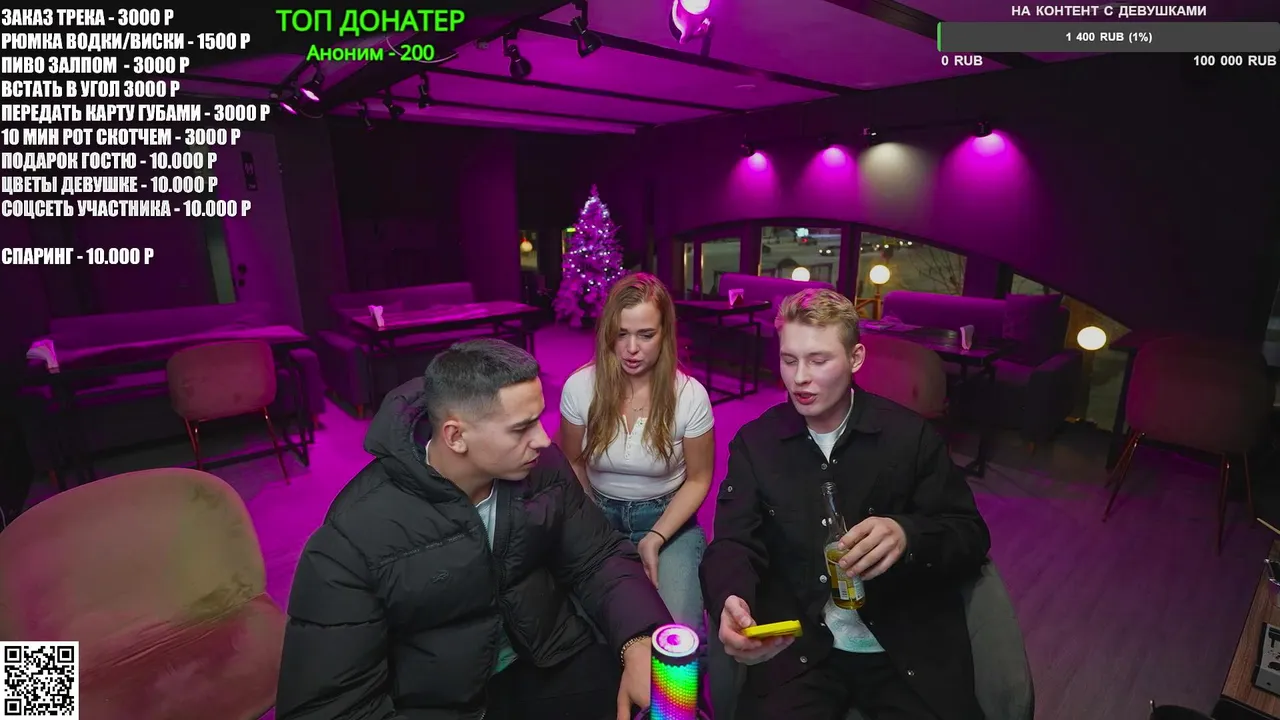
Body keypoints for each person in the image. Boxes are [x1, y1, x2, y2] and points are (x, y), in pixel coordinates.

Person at [277, 339, 673, 720]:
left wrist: (638, 640)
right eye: (521, 428)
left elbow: (597, 557)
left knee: (669, 695)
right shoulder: (353, 535)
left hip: (546, 657)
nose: (542, 439)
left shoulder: (542, 466)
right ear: (455, 436)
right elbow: (333, 706)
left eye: (539, 419)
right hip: (442, 703)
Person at [700, 289, 991, 720]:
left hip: (901, 646)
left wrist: (907, 535)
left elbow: (969, 534)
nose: (799, 378)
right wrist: (730, 597)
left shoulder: (909, 437)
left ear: (856, 358)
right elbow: (732, 542)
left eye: (818, 361)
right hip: (801, 647)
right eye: (788, 360)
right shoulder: (755, 443)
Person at [559, 273, 714, 638]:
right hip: (598, 518)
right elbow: (572, 461)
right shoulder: (579, 387)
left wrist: (656, 537)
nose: (631, 348)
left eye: (646, 335)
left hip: (667, 521)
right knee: (590, 631)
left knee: (676, 637)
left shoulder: (690, 396)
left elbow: (699, 478)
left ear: (665, 334)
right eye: (621, 334)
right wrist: (589, 524)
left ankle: (671, 688)